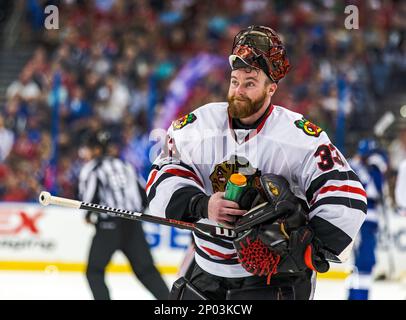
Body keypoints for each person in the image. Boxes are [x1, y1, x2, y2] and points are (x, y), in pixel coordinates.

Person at [146, 25, 366, 300]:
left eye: (250, 83)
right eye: (235, 81)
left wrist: (309, 248)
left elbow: (345, 193)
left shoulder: (299, 137)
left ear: (271, 88)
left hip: (272, 280)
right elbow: (162, 178)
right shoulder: (197, 126)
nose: (238, 90)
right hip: (205, 272)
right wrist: (202, 205)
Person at [79, 130, 170, 300]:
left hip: (108, 227)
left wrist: (87, 216)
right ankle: (174, 306)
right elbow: (145, 196)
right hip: (133, 224)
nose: (86, 152)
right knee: (147, 271)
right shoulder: (126, 165)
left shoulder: (92, 169)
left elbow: (89, 200)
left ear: (97, 150)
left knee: (94, 271)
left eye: (89, 148)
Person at [345, 139, 389, 300]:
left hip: (360, 219)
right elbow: (375, 191)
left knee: (360, 262)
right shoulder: (361, 168)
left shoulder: (355, 165)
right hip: (364, 220)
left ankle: (354, 295)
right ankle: (358, 296)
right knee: (365, 262)